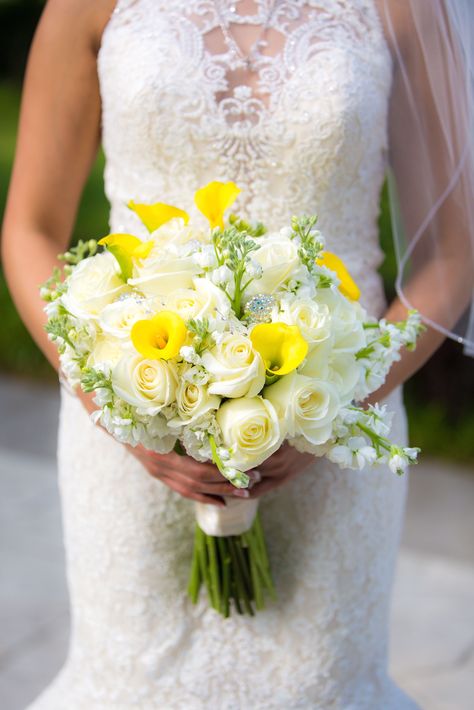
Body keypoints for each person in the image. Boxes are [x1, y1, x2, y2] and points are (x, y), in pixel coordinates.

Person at [2, 1, 473, 708]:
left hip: (336, 428)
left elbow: (451, 252)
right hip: (131, 431)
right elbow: (31, 226)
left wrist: (340, 405)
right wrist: (113, 399)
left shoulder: (400, 5)